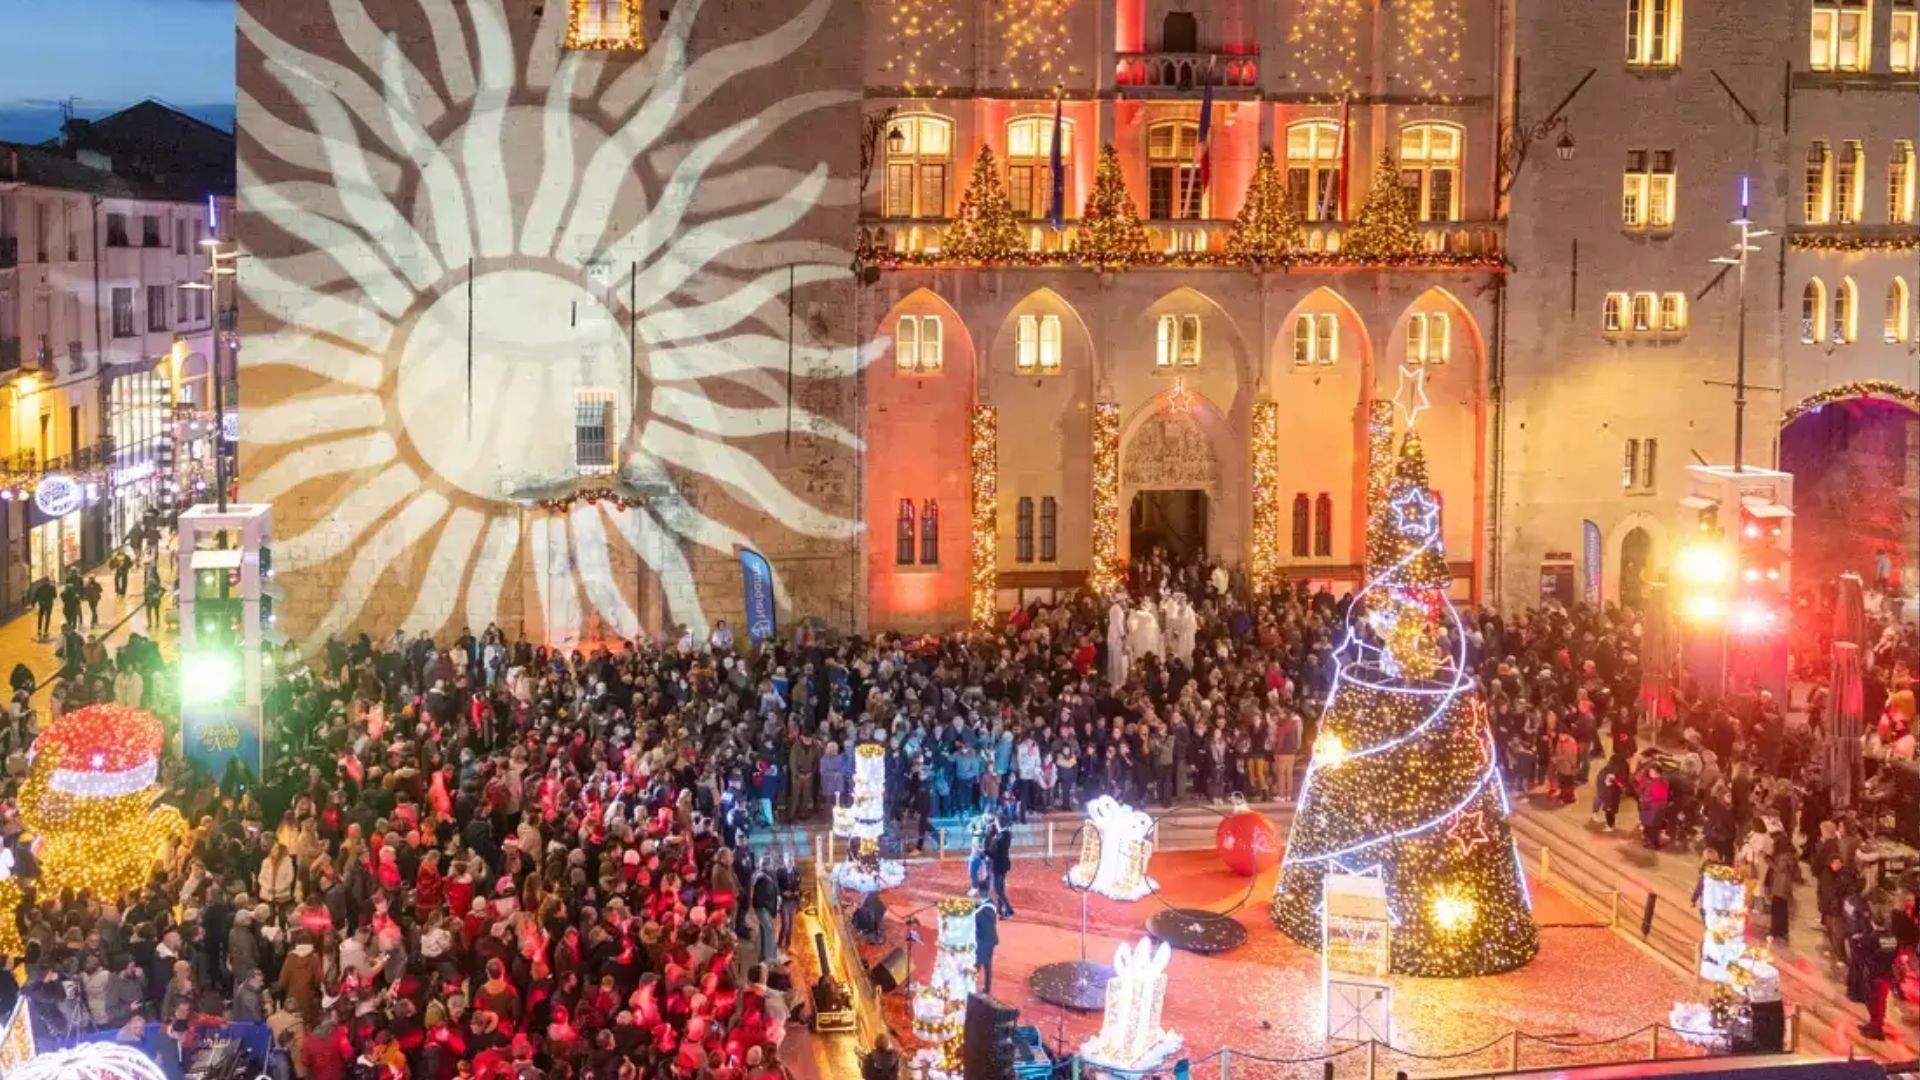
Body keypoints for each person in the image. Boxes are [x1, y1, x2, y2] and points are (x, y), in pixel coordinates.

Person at [972, 885, 999, 994]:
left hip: (984, 941)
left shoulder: (983, 911)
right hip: (990, 939)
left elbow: (975, 919)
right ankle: (987, 988)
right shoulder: (991, 903)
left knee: (977, 965)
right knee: (987, 965)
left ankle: (970, 987)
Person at [987, 815, 1015, 918]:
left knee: (998, 889)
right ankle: (1001, 911)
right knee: (1000, 888)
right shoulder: (1004, 835)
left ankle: (1009, 910)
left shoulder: (1002, 836)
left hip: (999, 865)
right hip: (1002, 865)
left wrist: (983, 851)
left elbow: (993, 853)